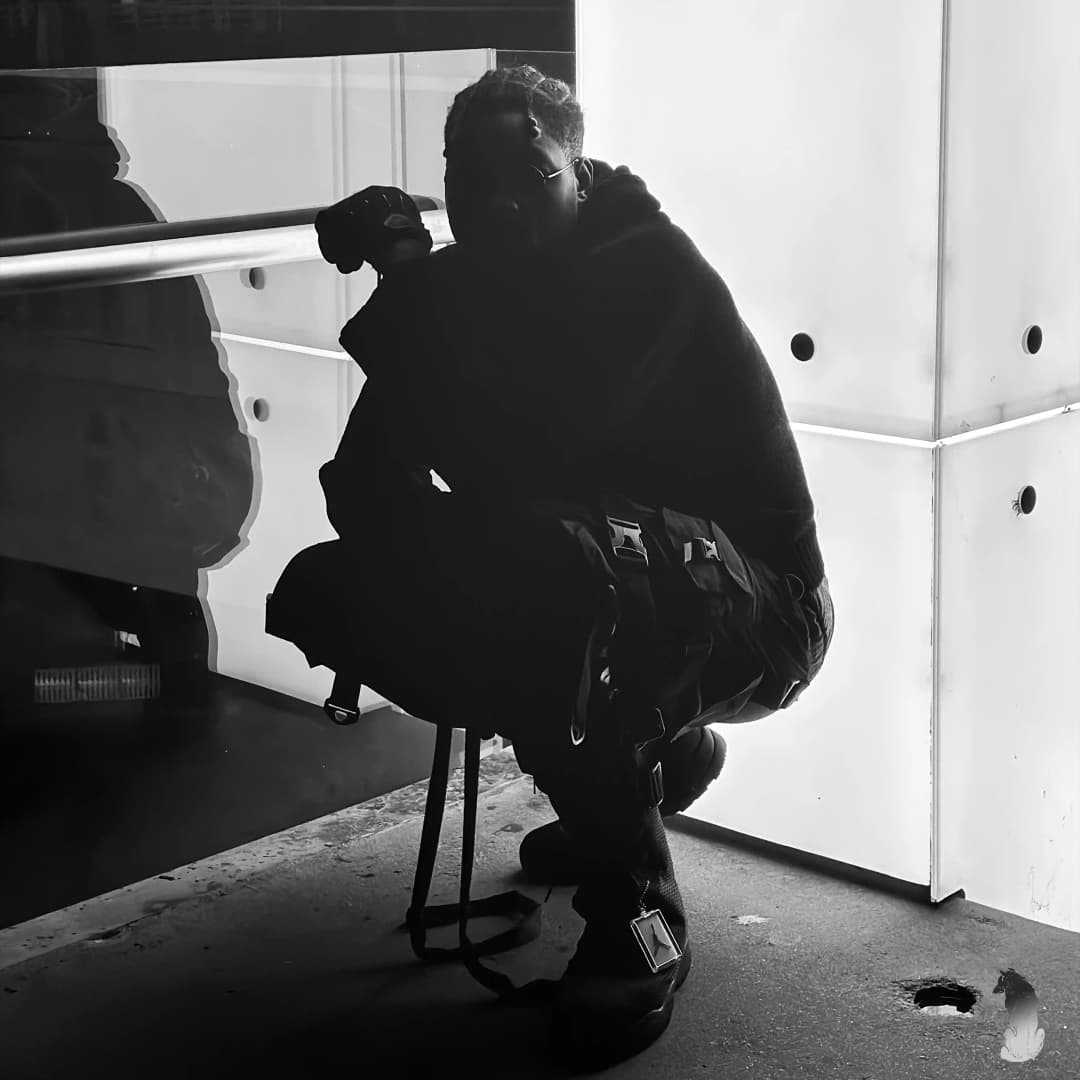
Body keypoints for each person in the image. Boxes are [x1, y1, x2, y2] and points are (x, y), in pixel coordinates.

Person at [270, 65, 834, 1068]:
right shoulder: (470, 290)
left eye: (529, 174)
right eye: (470, 181)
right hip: (625, 582)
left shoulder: (647, 268)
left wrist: (409, 288)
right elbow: (366, 492)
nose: (498, 205)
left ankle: (646, 924)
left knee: (548, 574)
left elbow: (532, 450)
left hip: (766, 610)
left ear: (579, 171)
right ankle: (646, 766)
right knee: (343, 584)